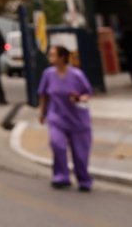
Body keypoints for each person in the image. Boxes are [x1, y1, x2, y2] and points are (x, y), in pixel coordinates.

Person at [38, 44, 94, 191]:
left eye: (53, 54)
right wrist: (42, 113)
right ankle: (61, 177)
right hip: (56, 117)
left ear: (62, 57)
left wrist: (80, 98)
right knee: (57, 144)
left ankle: (84, 180)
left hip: (77, 120)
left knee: (80, 153)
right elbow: (44, 95)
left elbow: (88, 93)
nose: (50, 57)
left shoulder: (77, 75)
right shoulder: (48, 74)